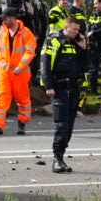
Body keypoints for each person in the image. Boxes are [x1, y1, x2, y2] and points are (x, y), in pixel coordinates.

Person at [40, 16, 88, 173]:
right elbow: (45, 64)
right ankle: (57, 159)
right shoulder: (53, 41)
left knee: (70, 124)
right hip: (58, 87)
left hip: (74, 88)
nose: (76, 32)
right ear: (66, 28)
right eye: (74, 29)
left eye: (78, 30)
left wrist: (84, 48)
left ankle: (61, 157)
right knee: (62, 123)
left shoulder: (77, 43)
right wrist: (49, 86)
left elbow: (86, 66)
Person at [0, 7, 36, 136]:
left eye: (5, 18)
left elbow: (30, 52)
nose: (3, 21)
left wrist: (21, 66)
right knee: (2, 97)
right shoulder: (2, 32)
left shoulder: (26, 33)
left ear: (13, 19)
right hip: (4, 72)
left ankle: (22, 122)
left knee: (22, 98)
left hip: (20, 72)